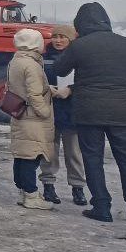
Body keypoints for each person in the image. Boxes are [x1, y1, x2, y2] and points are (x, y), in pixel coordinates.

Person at [53, 2, 126, 224]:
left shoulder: (80, 46)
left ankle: (102, 207)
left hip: (89, 112)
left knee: (93, 159)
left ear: (80, 24)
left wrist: (74, 47)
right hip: (122, 113)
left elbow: (60, 69)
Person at [8, 28, 61, 211]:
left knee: (22, 156)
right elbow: (34, 94)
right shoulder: (32, 65)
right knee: (32, 157)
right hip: (33, 118)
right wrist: (45, 111)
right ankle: (31, 195)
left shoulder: (17, 60)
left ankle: (24, 192)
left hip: (21, 114)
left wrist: (48, 89)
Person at [40, 24, 87, 206]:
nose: (58, 40)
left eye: (62, 37)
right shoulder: (43, 58)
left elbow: (86, 82)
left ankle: (78, 188)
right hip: (49, 111)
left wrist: (71, 90)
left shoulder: (80, 58)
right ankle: (48, 185)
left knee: (74, 152)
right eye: (55, 36)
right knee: (49, 152)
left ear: (71, 39)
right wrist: (46, 90)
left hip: (72, 112)